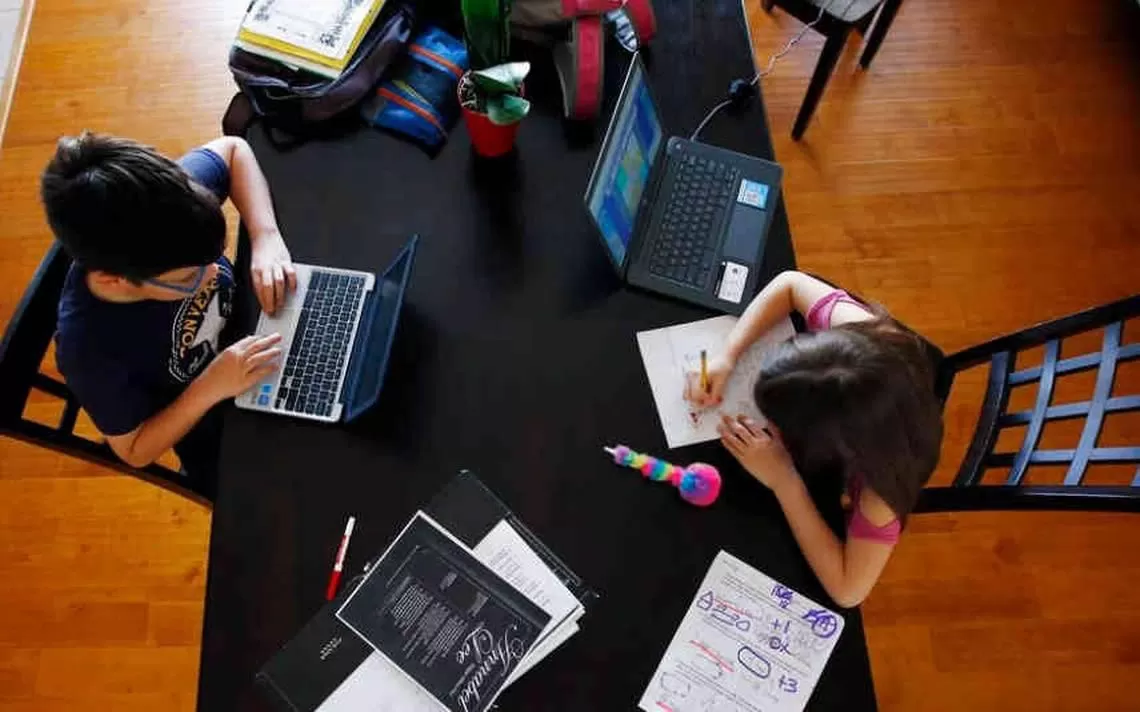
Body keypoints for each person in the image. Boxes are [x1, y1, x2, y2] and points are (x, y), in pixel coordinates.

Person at [42, 132, 296, 477]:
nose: (211, 275)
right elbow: (134, 450)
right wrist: (212, 385)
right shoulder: (89, 350)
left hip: (254, 321)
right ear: (113, 280)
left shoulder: (166, 210)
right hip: (209, 412)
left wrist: (265, 236)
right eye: (188, 278)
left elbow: (234, 150)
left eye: (215, 257)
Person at [684, 271, 943, 607]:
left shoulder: (880, 491)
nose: (767, 425)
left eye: (777, 423)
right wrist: (727, 356)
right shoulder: (855, 336)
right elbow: (790, 284)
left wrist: (784, 479)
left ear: (830, 448)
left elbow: (849, 591)